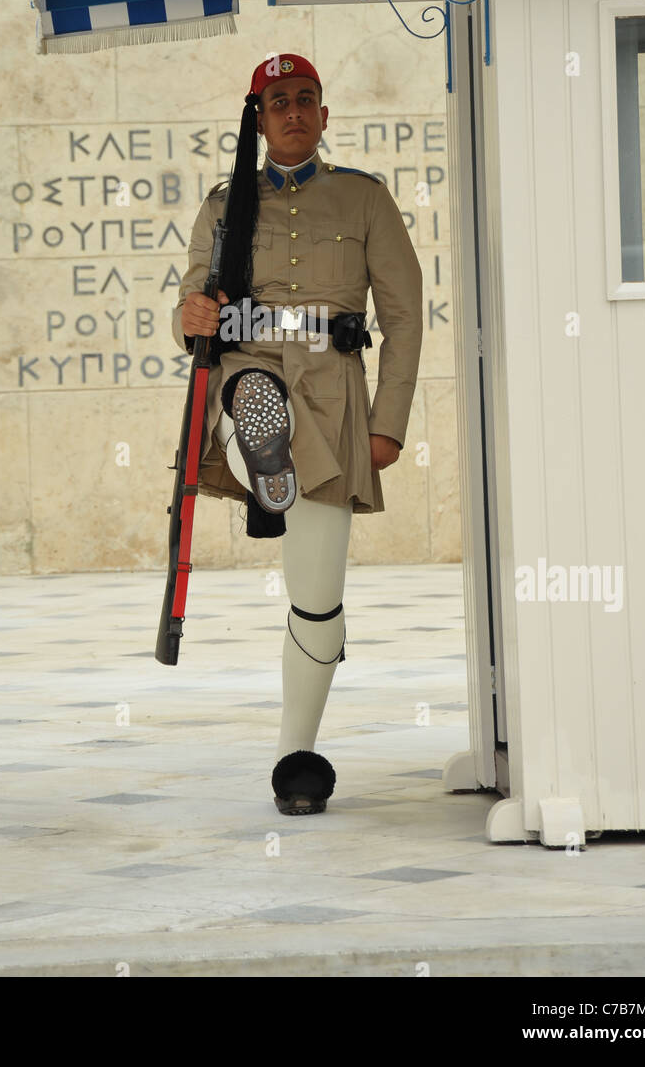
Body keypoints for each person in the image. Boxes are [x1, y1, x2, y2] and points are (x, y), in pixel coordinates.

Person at [171, 53, 423, 813]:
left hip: (334, 395)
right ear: (257, 116)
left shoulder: (364, 200)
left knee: (317, 595)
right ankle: (262, 453)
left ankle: (296, 755)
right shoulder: (223, 207)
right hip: (250, 367)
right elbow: (193, 298)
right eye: (276, 101)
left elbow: (405, 317)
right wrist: (191, 318)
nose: (291, 112)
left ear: (323, 114)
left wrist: (388, 426)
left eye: (304, 100)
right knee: (253, 389)